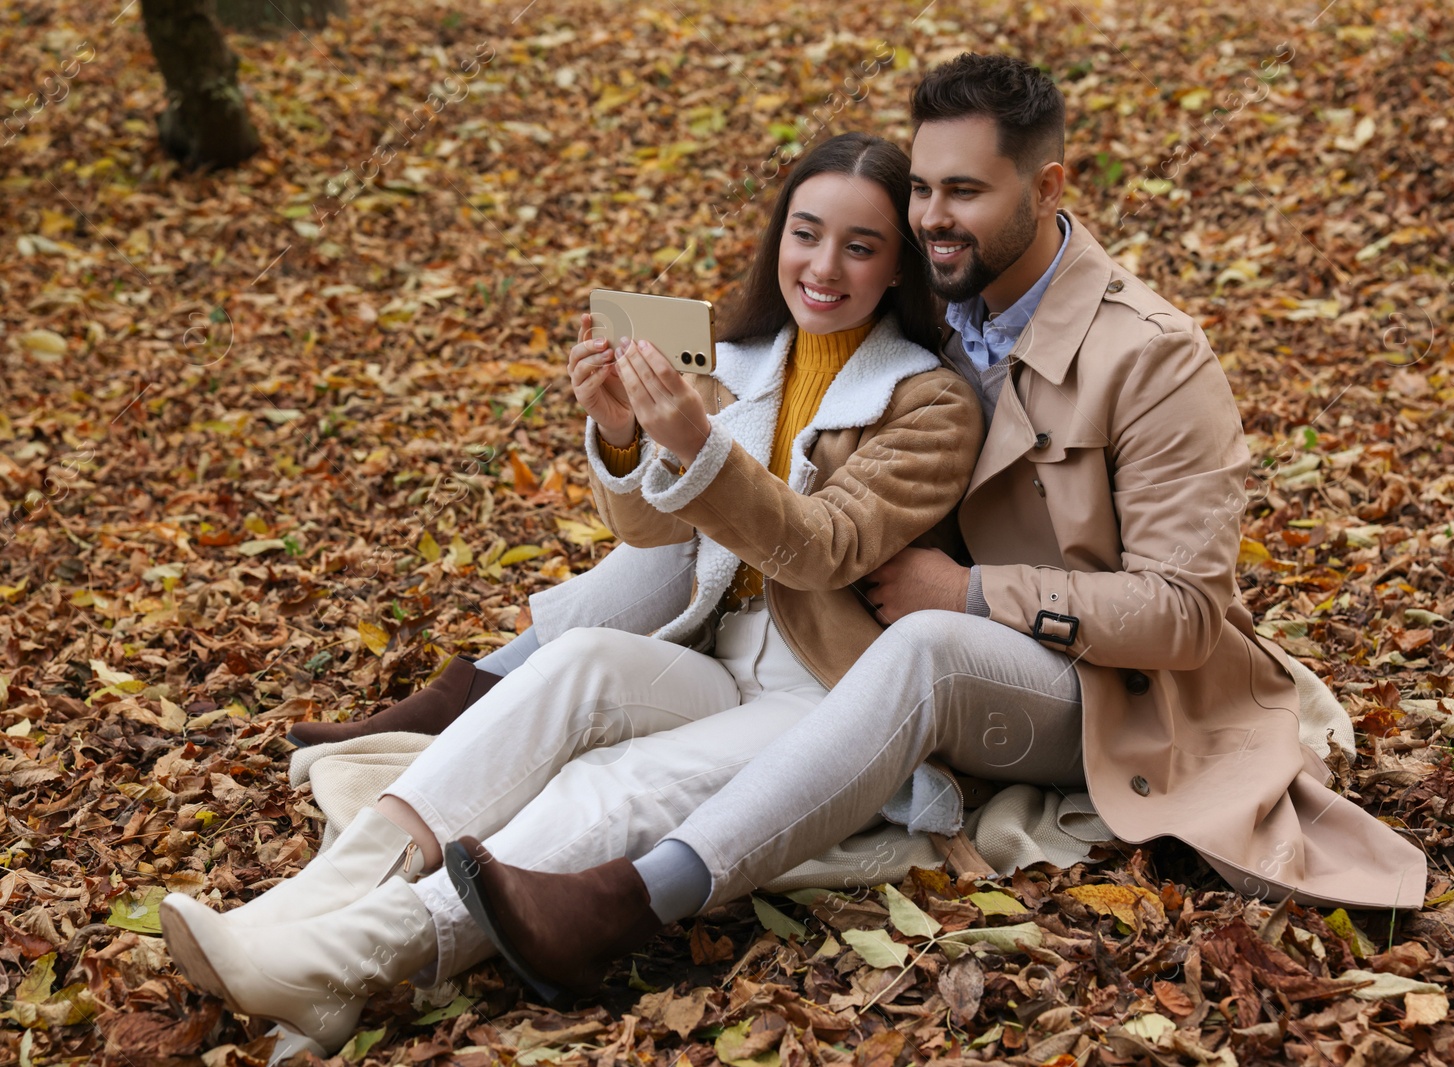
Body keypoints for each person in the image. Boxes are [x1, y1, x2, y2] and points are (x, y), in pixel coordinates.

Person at [441, 53, 1430, 997]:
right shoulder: (932, 317)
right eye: (921, 189)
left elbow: (1182, 614)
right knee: (706, 559)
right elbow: (783, 426)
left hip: (1111, 688)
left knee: (925, 645)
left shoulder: (1154, 357)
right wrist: (639, 406)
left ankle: (625, 902)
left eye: (964, 191)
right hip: (890, 644)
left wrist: (968, 591)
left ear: (1047, 188)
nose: (931, 217)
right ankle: (469, 694)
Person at [158, 131, 983, 1054]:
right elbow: (656, 531)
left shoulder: (931, 405)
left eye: (860, 246)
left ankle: (340, 960)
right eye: (805, 233)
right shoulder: (745, 362)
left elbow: (822, 549)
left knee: (614, 781)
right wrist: (626, 436)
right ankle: (286, 920)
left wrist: (697, 446)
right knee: (580, 660)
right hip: (725, 653)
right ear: (777, 239)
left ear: (897, 269)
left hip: (832, 693)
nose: (823, 266)